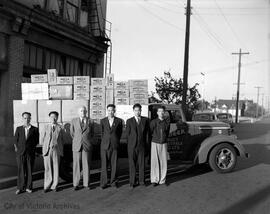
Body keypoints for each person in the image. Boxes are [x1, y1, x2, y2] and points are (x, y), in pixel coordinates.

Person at [14, 112, 39, 194]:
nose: (26, 119)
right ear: (22, 119)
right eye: (25, 118)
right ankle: (20, 188)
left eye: (28, 118)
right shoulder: (18, 128)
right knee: (20, 170)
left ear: (30, 118)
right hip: (20, 153)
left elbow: (36, 141)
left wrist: (31, 149)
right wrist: (18, 150)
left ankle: (28, 187)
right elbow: (15, 141)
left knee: (29, 170)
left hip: (30, 153)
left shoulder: (35, 129)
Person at [126, 103, 150, 188]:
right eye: (136, 110)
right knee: (132, 164)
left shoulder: (145, 120)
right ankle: (132, 182)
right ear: (133, 111)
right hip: (132, 147)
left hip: (142, 146)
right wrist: (129, 146)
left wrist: (147, 146)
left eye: (139, 110)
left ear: (141, 111)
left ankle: (142, 181)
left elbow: (147, 134)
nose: (137, 112)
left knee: (142, 164)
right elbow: (127, 135)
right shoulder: (129, 121)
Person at [70, 106, 94, 190]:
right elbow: (72, 133)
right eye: (81, 111)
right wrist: (78, 140)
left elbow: (92, 133)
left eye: (84, 111)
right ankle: (76, 184)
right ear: (78, 112)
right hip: (77, 145)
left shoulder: (90, 121)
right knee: (76, 165)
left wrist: (86, 140)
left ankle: (86, 184)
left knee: (86, 165)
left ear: (86, 112)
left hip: (87, 146)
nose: (82, 112)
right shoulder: (73, 121)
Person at [40, 111, 64, 193]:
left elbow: (62, 139)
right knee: (47, 168)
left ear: (57, 118)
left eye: (55, 117)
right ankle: (47, 185)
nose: (53, 118)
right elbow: (42, 139)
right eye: (51, 117)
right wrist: (45, 147)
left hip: (57, 150)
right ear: (49, 118)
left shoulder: (60, 127)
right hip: (47, 150)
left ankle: (54, 185)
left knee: (56, 168)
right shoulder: (46, 127)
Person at [100, 104, 123, 189]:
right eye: (109, 110)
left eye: (112, 110)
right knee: (104, 165)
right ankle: (104, 182)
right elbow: (102, 134)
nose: (110, 112)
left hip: (114, 145)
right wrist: (105, 141)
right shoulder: (102, 121)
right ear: (107, 111)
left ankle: (113, 181)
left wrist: (115, 140)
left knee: (114, 164)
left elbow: (119, 133)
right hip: (104, 146)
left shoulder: (119, 121)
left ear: (114, 111)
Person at [150, 105, 170, 186]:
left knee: (163, 162)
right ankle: (155, 179)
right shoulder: (154, 122)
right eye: (160, 111)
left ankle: (162, 180)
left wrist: (164, 140)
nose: (161, 113)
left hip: (164, 143)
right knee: (155, 162)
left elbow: (167, 133)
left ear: (164, 113)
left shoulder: (166, 122)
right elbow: (150, 132)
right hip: (155, 143)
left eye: (163, 111)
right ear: (157, 113)